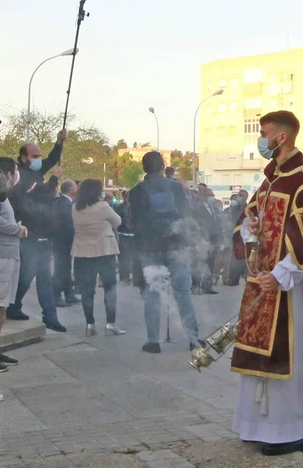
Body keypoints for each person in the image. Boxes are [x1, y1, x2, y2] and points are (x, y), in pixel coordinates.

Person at [231, 111, 303, 455]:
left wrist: (281, 275)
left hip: (288, 288)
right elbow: (248, 219)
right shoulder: (270, 180)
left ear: (283, 137)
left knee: (288, 357)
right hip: (262, 283)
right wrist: (251, 226)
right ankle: (260, 426)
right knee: (259, 361)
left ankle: (291, 431)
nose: (261, 140)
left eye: (265, 134)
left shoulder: (301, 181)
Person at [128, 151, 201, 353]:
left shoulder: (136, 191)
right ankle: (194, 339)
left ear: (144, 168)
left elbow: (133, 221)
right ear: (162, 166)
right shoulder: (176, 187)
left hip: (150, 249)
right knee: (183, 292)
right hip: (176, 246)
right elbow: (186, 215)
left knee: (152, 294)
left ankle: (153, 341)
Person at [7, 131, 66, 327]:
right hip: (30, 232)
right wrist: (54, 181)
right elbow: (37, 196)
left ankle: (45, 314)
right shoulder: (22, 177)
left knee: (36, 274)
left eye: (39, 156)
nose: (39, 160)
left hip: (42, 231)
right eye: (35, 156)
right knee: (33, 273)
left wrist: (59, 142)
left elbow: (52, 160)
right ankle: (39, 313)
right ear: (24, 158)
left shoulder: (36, 172)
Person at [0, 158, 27, 372]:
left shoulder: (4, 195)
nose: (18, 172)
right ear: (9, 173)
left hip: (9, 254)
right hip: (0, 254)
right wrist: (16, 229)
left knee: (1, 305)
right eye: (17, 169)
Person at [72, 178, 125, 336]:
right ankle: (111, 323)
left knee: (87, 290)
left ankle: (90, 323)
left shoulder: (75, 207)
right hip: (104, 251)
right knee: (109, 288)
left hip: (82, 252)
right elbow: (117, 221)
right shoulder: (103, 206)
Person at [52, 179, 78, 306]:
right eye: (75, 187)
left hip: (62, 242)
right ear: (71, 190)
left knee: (66, 268)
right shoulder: (65, 204)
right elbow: (68, 225)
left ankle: (69, 294)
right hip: (63, 242)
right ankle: (56, 295)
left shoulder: (63, 202)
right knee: (61, 269)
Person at [225, 189, 251, 288]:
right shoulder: (233, 208)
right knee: (234, 257)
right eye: (238, 195)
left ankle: (246, 277)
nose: (239, 197)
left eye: (242, 195)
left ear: (246, 197)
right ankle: (233, 279)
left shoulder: (249, 208)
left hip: (245, 237)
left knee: (246, 257)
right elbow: (228, 221)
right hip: (234, 236)